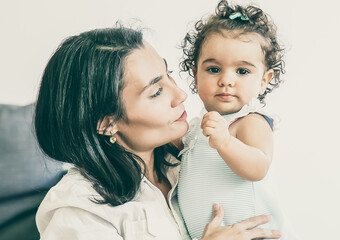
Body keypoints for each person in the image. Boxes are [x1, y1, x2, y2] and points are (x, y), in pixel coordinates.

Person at [34, 26, 282, 240]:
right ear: (107, 123)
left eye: (168, 75)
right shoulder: (79, 209)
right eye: (156, 91)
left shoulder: (184, 163)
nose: (181, 95)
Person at [177, 0, 296, 239]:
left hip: (252, 234)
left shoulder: (249, 121)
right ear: (195, 73)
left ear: (264, 80)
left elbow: (258, 167)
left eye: (242, 71)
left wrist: (225, 142)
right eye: (213, 69)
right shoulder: (194, 130)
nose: (226, 80)